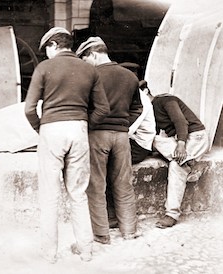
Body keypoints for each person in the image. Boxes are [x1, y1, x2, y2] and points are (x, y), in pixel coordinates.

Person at [24, 27, 110, 263]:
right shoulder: (89, 69)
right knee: (78, 193)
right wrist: (83, 123)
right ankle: (86, 250)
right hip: (79, 130)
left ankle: (49, 254)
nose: (46, 55)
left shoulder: (44, 68)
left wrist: (41, 128)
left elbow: (29, 109)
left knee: (50, 195)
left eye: (47, 50)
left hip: (51, 130)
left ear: (53, 45)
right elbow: (103, 109)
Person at [76, 36, 142, 244]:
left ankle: (102, 234)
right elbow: (138, 108)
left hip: (97, 135)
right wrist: (122, 124)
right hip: (122, 137)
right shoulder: (129, 76)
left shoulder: (90, 76)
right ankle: (129, 231)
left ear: (93, 54)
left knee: (96, 185)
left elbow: (83, 108)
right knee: (123, 183)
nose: (85, 63)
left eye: (85, 58)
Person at [148, 93, 210, 228]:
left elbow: (180, 121)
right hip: (180, 139)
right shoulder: (149, 109)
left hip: (195, 137)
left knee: (176, 167)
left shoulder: (164, 99)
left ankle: (172, 215)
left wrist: (181, 144)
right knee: (152, 139)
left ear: (146, 91)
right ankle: (187, 162)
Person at [107, 79, 157, 228]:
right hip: (129, 140)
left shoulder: (141, 99)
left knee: (108, 164)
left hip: (139, 146)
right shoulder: (129, 95)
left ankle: (113, 215)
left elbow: (128, 129)